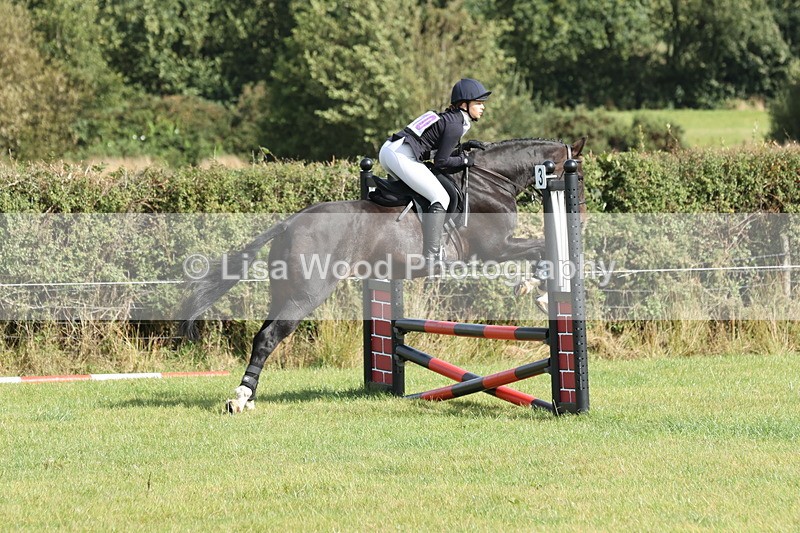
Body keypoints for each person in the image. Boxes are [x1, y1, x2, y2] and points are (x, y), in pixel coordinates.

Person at [379, 78, 490, 267]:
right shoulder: (455, 124)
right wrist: (465, 160)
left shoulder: (451, 119)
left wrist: (463, 147)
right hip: (402, 155)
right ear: (464, 104)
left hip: (390, 150)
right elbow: (441, 162)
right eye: (478, 103)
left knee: (424, 193)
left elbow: (437, 150)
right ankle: (432, 256)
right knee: (441, 197)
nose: (483, 107)